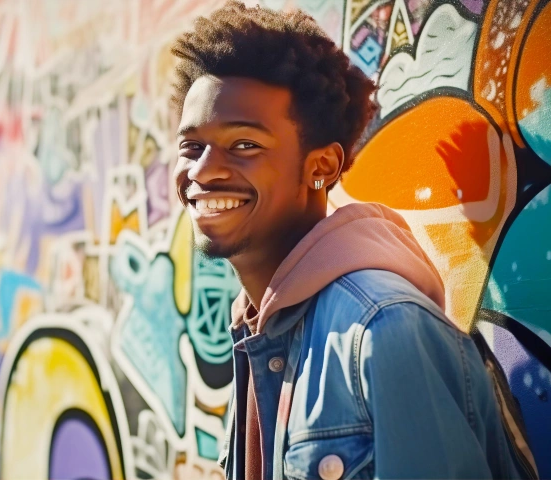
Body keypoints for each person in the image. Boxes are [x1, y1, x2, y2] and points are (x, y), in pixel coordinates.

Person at [170, 2, 530, 479]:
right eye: (192, 147)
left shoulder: (384, 332)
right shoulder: (261, 328)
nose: (203, 171)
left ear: (320, 168)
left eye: (244, 145)